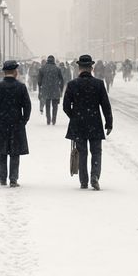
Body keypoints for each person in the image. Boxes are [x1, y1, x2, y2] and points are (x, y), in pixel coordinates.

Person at [62, 53, 113, 190]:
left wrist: (74, 116)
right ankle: (95, 175)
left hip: (79, 124)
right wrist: (108, 123)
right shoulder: (99, 84)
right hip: (95, 122)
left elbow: (66, 106)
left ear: (79, 68)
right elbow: (105, 105)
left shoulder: (72, 85)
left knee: (82, 151)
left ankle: (83, 180)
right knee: (96, 151)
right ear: (92, 68)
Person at [0, 59, 32, 187]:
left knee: (2, 152)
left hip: (2, 122)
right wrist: (24, 120)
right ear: (15, 72)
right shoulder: (21, 87)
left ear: (4, 72)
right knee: (15, 152)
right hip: (17, 123)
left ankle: (2, 178)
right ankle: (13, 179)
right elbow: (27, 106)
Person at [36, 53, 65, 125]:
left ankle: (48, 119)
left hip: (46, 89)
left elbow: (39, 81)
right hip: (55, 90)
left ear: (47, 61)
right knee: (55, 106)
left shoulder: (42, 69)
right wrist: (61, 90)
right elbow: (62, 80)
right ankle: (54, 119)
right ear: (54, 61)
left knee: (47, 105)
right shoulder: (57, 69)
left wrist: (40, 89)